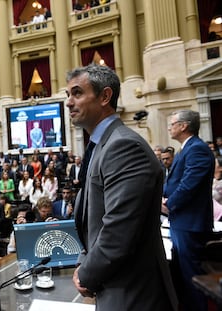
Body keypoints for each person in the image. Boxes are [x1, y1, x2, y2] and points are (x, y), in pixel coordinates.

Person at [66, 64, 178, 310]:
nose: (69, 102)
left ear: (105, 96)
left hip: (133, 292)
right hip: (114, 285)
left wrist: (86, 274)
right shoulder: (101, 145)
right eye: (68, 95)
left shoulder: (124, 146)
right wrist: (83, 262)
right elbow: (92, 221)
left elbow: (118, 233)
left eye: (77, 93)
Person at [162, 110, 214, 311]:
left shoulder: (197, 149)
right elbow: (175, 183)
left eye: (172, 123)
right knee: (184, 274)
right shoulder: (187, 148)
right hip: (183, 222)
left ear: (183, 126)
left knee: (192, 277)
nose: (169, 127)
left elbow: (189, 185)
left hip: (190, 224)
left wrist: (168, 204)